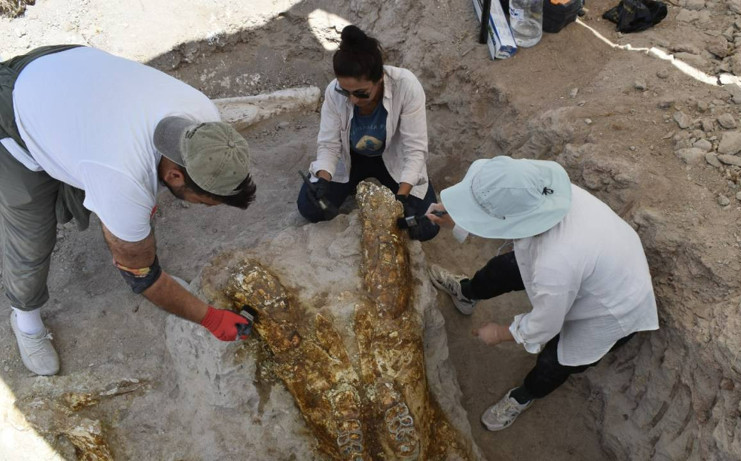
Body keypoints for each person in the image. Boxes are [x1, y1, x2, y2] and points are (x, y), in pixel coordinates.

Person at [0, 45, 258, 376]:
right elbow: (141, 276)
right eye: (205, 202)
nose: (204, 208)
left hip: (65, 72)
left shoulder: (203, 119)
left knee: (128, 212)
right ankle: (26, 320)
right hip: (16, 114)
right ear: (176, 175)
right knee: (32, 235)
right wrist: (209, 317)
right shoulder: (124, 177)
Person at [425, 156, 659, 431]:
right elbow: (502, 217)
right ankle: (467, 293)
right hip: (604, 264)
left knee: (556, 360)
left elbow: (546, 323)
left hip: (615, 307)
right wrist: (459, 214)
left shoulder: (554, 265)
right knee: (504, 268)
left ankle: (524, 396)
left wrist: (501, 333)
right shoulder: (540, 192)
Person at [297, 25, 439, 241]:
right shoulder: (334, 92)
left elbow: (415, 150)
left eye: (361, 93)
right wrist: (323, 179)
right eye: (346, 91)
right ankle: (346, 185)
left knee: (427, 226)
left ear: (380, 78)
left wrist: (402, 198)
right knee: (310, 207)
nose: (352, 100)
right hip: (351, 158)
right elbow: (329, 145)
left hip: (391, 157)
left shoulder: (406, 86)